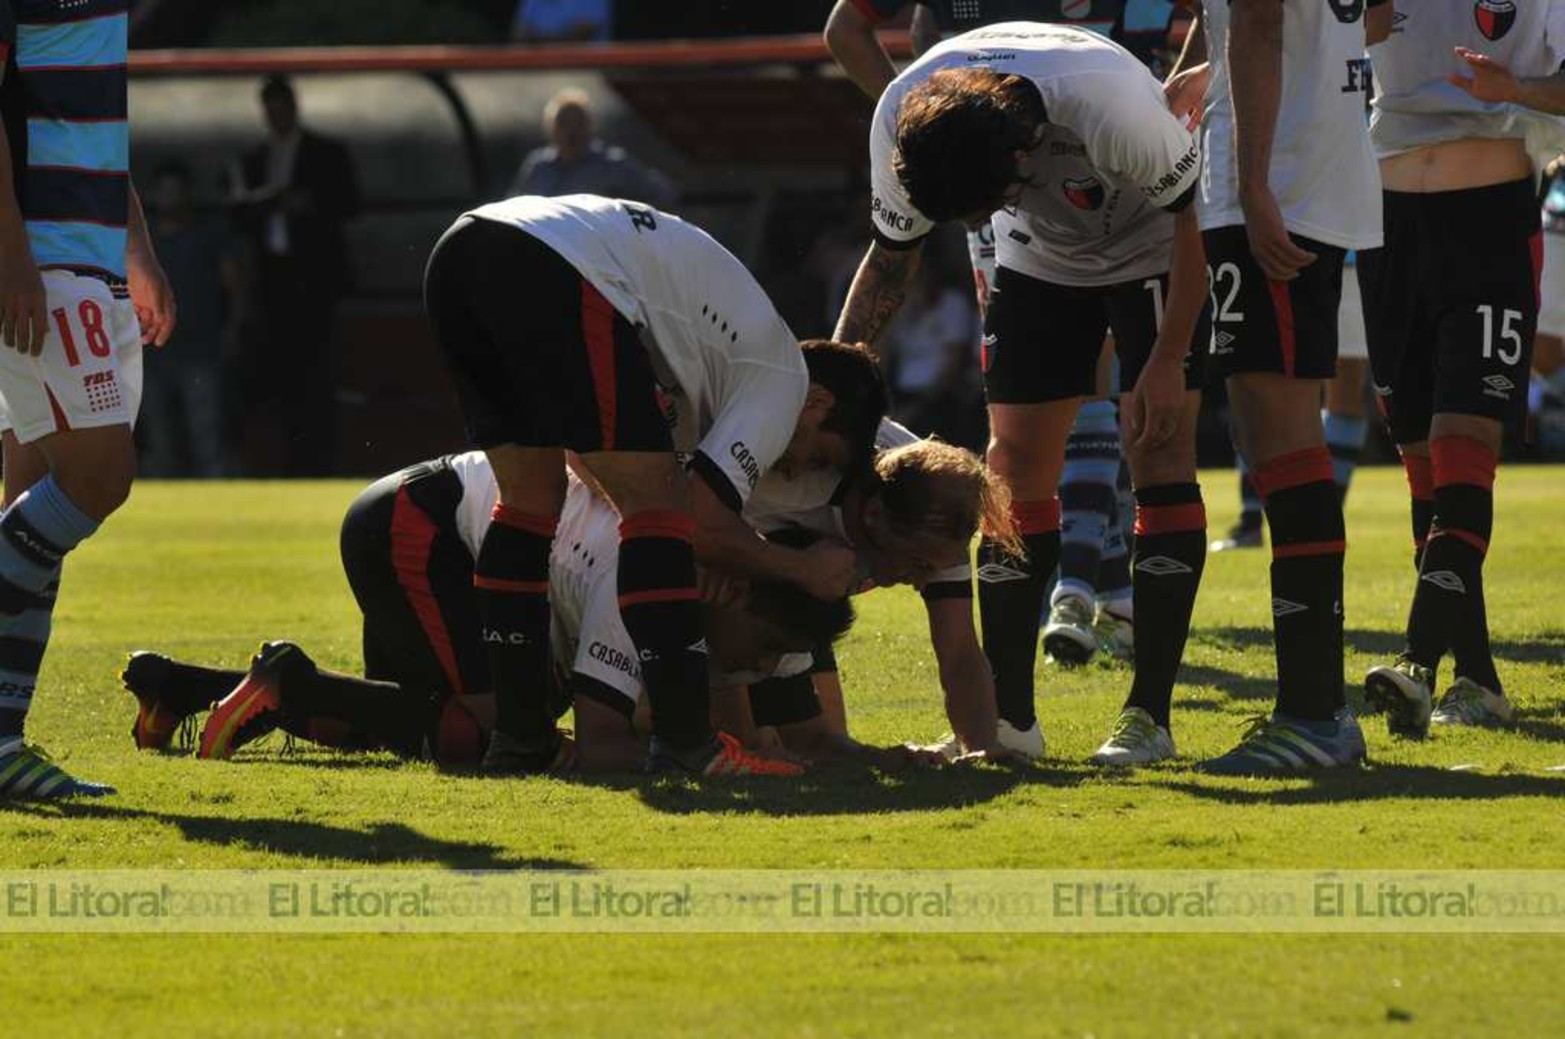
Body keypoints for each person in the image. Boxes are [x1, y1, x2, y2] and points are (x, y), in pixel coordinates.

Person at [830, 23, 1213, 767]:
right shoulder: (902, 117)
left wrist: (1168, 358)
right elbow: (890, 262)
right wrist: (835, 388)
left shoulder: (1109, 107)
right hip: (1040, 259)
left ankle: (1149, 717)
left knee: (1160, 447)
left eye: (981, 206)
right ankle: (1008, 722)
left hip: (1157, 245)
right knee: (1010, 465)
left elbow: (1194, 222)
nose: (975, 224)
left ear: (1019, 155)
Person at [422, 193, 885, 778]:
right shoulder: (784, 383)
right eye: (816, 457)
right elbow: (696, 521)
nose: (794, 471)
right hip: (555, 264)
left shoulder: (715, 375)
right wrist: (798, 568)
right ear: (818, 405)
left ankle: (520, 741)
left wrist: (704, 542)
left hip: (462, 251)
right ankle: (689, 743)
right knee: (657, 510)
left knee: (529, 504)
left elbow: (591, 464)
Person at [123, 462, 854, 773]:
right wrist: (725, 763)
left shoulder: (707, 589)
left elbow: (714, 727)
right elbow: (607, 743)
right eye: (765, 648)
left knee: (409, 726)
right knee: (500, 738)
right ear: (734, 591)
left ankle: (184, 687)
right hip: (421, 521)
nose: (758, 668)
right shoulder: (646, 581)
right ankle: (290, 682)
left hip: (430, 520)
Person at [1165, 0, 1390, 774]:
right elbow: (1375, 17)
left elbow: (1260, 21)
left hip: (1277, 182)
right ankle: (1316, 707)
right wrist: (1222, 70)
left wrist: (1254, 182)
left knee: (1281, 436)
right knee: (1274, 436)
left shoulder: (1263, 176)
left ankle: (1314, 712)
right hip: (1312, 168)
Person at [1356, 5, 1565, 736]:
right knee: (1422, 460)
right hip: (1384, 225)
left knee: (1463, 441)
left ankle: (1416, 661)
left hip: (1488, 221)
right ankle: (1476, 678)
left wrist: (1515, 88)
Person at [0, 0, 176, 799]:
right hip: (42, 254)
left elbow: (86, 120)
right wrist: (13, 258)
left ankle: (4, 745)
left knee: (32, 494)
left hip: (83, 253)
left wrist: (136, 245)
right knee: (99, 474)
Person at [746, 423, 1027, 760]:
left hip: (808, 561)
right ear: (873, 515)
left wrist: (982, 745)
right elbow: (708, 534)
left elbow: (959, 651)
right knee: (755, 743)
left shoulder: (942, 517)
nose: (921, 582)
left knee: (820, 746)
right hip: (724, 535)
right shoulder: (787, 482)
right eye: (917, 564)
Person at [229, 74, 360, 476]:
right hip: (272, 283)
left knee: (320, 376)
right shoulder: (253, 160)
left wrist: (308, 203)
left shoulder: (326, 154)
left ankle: (322, 461)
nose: (277, 116)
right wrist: (264, 203)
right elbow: (237, 217)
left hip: (315, 281)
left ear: (293, 107)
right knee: (280, 378)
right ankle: (291, 461)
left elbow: (351, 203)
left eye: (281, 108)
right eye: (270, 110)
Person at [141, 161, 244, 478]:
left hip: (201, 347)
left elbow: (234, 285)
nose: (170, 198)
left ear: (188, 194)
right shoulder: (142, 242)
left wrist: (232, 329)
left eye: (176, 191)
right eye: (164, 191)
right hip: (152, 350)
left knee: (206, 432)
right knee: (158, 435)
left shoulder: (210, 236)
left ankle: (215, 490)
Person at [508, 89, 675, 209]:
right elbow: (515, 207)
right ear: (551, 128)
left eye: (578, 123)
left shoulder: (611, 164)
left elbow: (660, 193)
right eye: (564, 124)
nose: (572, 131)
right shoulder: (538, 166)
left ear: (589, 127)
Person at [510, 0, 611, 42]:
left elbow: (582, 34)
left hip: (585, 68)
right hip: (537, 68)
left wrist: (539, 39)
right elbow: (519, 34)